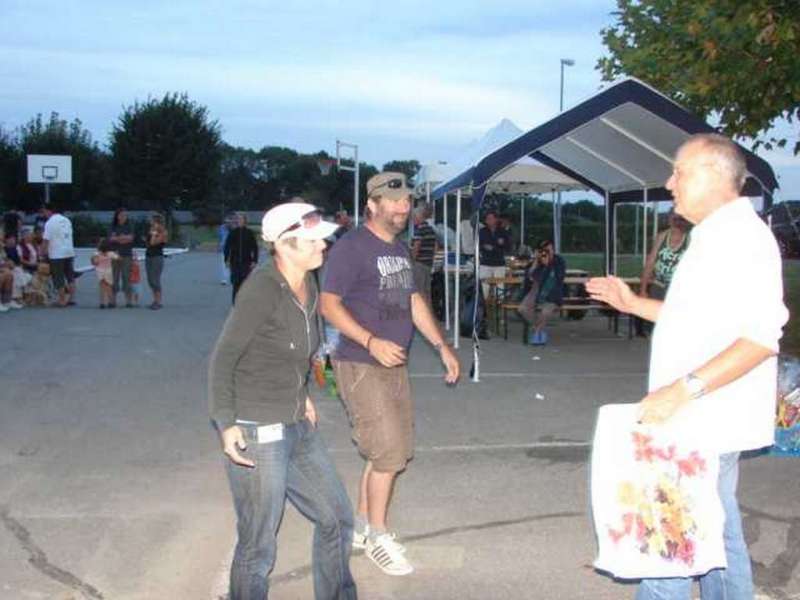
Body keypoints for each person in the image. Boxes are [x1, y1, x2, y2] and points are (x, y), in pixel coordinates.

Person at [587, 133, 788, 600]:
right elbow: (695, 321)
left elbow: (760, 338)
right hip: (701, 418)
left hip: (702, 419)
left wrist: (680, 391)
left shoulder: (742, 239)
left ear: (716, 175)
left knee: (665, 548)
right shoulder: (714, 236)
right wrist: (634, 303)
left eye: (680, 171)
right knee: (717, 534)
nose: (668, 181)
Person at [209, 201, 356, 600]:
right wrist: (226, 423)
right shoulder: (260, 289)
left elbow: (300, 349)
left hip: (296, 421)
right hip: (258, 427)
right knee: (258, 544)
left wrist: (305, 392)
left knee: (338, 519)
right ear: (286, 245)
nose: (323, 245)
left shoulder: (309, 282)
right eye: (313, 240)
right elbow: (223, 358)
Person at [320, 172, 460, 576]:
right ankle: (379, 536)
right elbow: (328, 305)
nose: (403, 208)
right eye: (394, 201)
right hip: (361, 364)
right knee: (390, 452)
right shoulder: (351, 248)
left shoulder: (398, 249)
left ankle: (362, 528)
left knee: (386, 451)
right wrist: (369, 341)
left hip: (394, 364)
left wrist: (442, 346)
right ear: (373, 205)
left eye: (407, 201)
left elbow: (413, 300)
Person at [635, 211, 691, 337]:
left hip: (679, 288)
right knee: (657, 320)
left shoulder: (690, 239)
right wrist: (643, 289)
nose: (677, 222)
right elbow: (650, 262)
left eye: (680, 219)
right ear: (669, 220)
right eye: (674, 219)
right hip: (659, 286)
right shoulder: (662, 237)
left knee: (676, 320)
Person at [517, 239, 566, 345]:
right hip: (535, 290)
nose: (546, 252)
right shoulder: (538, 261)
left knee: (545, 312)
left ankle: (538, 332)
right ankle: (538, 328)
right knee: (522, 309)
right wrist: (535, 262)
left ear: (553, 249)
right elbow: (529, 278)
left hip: (552, 292)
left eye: (549, 249)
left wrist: (548, 265)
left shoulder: (559, 261)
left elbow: (559, 278)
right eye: (544, 250)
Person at [42, 206, 76, 307]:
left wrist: (42, 253)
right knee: (70, 276)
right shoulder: (67, 220)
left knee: (58, 277)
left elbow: (46, 239)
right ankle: (70, 299)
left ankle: (61, 300)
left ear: (49, 211)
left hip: (57, 253)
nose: (44, 214)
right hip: (69, 251)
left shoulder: (50, 222)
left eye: (44, 211)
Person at [224, 213, 259, 304]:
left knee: (245, 283)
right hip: (234, 261)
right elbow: (227, 247)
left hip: (246, 261)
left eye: (241, 219)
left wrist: (255, 260)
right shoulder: (233, 233)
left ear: (245, 221)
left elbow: (254, 247)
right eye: (238, 219)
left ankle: (244, 303)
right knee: (236, 282)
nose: (239, 221)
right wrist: (226, 260)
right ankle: (235, 303)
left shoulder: (249, 233)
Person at [478, 210, 511, 300]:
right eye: (487, 219)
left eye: (491, 218)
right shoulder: (482, 231)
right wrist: (485, 246)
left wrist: (497, 246)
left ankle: (500, 305)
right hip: (485, 262)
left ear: (496, 219)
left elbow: (508, 247)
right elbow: (478, 245)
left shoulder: (503, 231)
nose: (489, 220)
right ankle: (483, 308)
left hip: (499, 263)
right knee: (483, 287)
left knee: (500, 287)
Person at [409, 204, 437, 305]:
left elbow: (416, 247)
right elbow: (435, 247)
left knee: (418, 292)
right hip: (428, 263)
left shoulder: (419, 230)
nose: (412, 219)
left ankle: (419, 317)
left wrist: (411, 261)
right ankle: (428, 316)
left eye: (414, 217)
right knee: (426, 292)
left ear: (419, 217)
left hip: (419, 263)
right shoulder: (431, 230)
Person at [109, 207, 135, 308]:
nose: (124, 217)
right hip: (115, 254)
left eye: (125, 215)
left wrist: (118, 238)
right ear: (117, 216)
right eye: (122, 215)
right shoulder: (112, 226)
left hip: (127, 254)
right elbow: (110, 238)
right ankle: (113, 300)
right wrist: (123, 238)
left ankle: (129, 301)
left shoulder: (129, 226)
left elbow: (131, 238)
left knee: (126, 277)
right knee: (114, 277)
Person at [145, 214, 168, 310]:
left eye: (153, 221)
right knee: (150, 280)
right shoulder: (151, 231)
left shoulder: (163, 232)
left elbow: (153, 242)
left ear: (157, 222)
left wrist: (154, 234)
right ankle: (154, 300)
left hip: (157, 257)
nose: (151, 223)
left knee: (155, 279)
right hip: (149, 256)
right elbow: (147, 243)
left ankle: (158, 301)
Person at [91, 238, 119, 308]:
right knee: (109, 287)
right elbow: (118, 258)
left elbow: (95, 262)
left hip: (100, 271)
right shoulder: (110, 253)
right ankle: (111, 302)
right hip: (108, 271)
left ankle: (102, 303)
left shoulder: (96, 253)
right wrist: (116, 254)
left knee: (102, 287)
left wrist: (93, 259)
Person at [218, 217, 231, 285]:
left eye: (228, 222)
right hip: (224, 248)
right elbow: (220, 237)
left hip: (232, 248)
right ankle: (224, 279)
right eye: (226, 222)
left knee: (232, 264)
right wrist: (219, 245)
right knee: (224, 263)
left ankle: (232, 278)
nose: (227, 223)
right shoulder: (221, 228)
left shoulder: (232, 229)